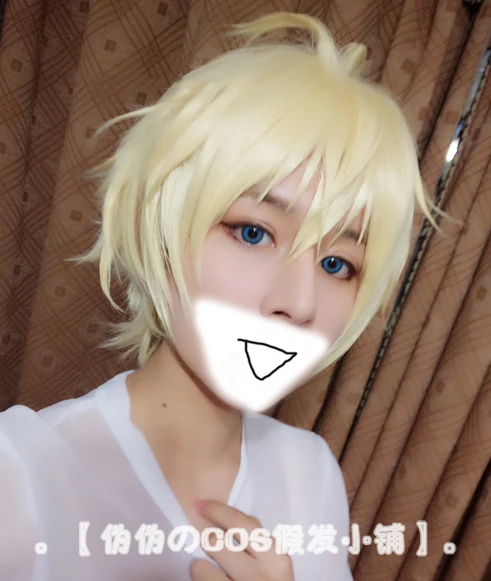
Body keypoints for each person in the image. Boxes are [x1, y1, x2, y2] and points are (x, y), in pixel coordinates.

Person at [0, 11, 436, 581]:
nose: (299, 303)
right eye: (253, 232)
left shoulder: (310, 473)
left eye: (337, 264)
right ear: (159, 229)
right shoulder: (20, 472)